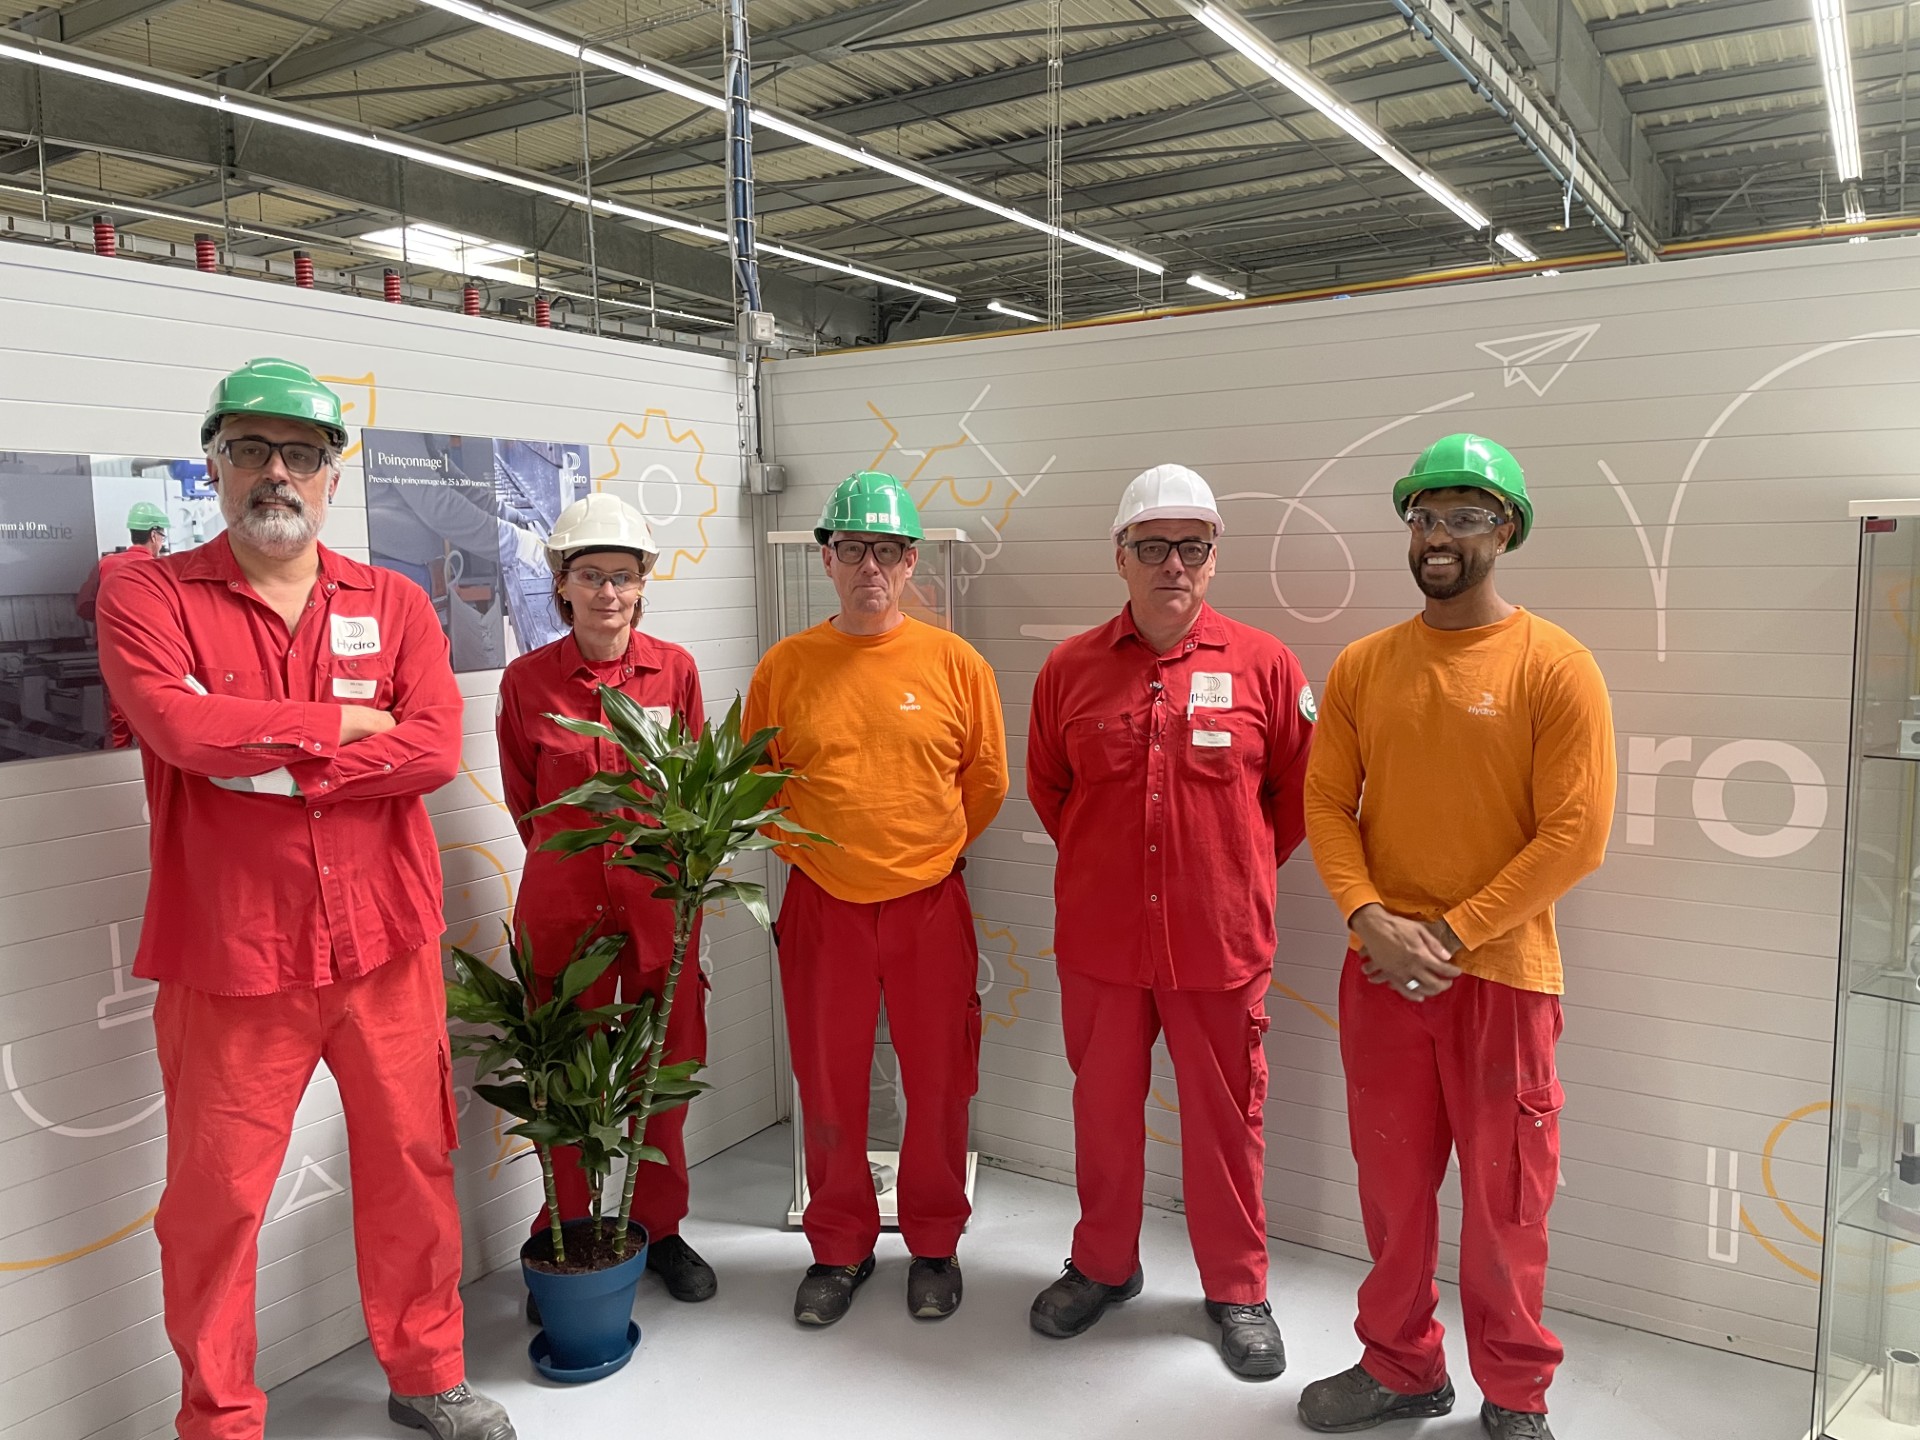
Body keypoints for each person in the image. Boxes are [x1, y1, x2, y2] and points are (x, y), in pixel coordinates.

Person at [94, 358, 515, 1440]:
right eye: (250, 450)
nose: (274, 474)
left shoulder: (396, 600)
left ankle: (428, 1375)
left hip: (385, 941)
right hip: (231, 955)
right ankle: (220, 1418)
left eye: (300, 455)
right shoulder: (149, 593)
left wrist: (270, 758)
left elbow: (431, 753)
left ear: (333, 475)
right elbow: (180, 733)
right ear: (215, 464)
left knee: (413, 1166)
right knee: (216, 1201)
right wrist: (348, 727)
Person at [1298, 434, 1615, 1440]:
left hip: (1505, 979)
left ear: (1507, 529)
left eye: (1465, 517)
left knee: (1507, 1208)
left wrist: (1453, 931)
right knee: (1392, 1192)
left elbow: (1576, 834)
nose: (1439, 537)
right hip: (1381, 971)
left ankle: (1515, 1396)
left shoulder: (1556, 665)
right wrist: (1365, 917)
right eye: (1425, 518)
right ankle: (1401, 1367)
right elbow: (1324, 806)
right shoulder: (1364, 666)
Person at [1024, 464, 1315, 1378]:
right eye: (1153, 546)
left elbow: (1295, 800)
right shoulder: (1069, 669)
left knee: (1227, 1125)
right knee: (1103, 1113)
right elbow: (1050, 790)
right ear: (1121, 557)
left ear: (1214, 559)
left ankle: (1237, 1289)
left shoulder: (1266, 666)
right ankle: (1104, 1266)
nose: (1173, 564)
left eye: (1192, 547)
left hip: (1219, 948)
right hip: (1103, 945)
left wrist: (1223, 880)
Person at [743, 471, 1008, 1327]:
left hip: (933, 904)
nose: (869, 565)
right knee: (828, 1082)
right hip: (822, 904)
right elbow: (758, 784)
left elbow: (988, 782)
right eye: (852, 547)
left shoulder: (956, 664)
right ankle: (838, 1246)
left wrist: (923, 853)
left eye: (886, 550)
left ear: (909, 562)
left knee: (939, 1081)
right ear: (826, 558)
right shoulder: (785, 667)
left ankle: (934, 1243)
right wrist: (818, 861)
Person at [496, 491, 715, 1306]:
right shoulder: (528, 683)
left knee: (662, 1074)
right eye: (591, 575)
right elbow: (528, 801)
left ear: (643, 582)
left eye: (622, 576)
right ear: (561, 582)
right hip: (563, 916)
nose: (608, 593)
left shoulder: (677, 670)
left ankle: (660, 1229)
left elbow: (692, 787)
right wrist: (576, 870)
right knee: (566, 1080)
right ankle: (570, 1231)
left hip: (661, 912)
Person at [76, 500, 170, 748]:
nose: (162, 542)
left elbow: (84, 606)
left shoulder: (106, 564)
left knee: (117, 722)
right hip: (155, 659)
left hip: (112, 657)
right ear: (153, 534)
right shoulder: (162, 570)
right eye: (162, 535)